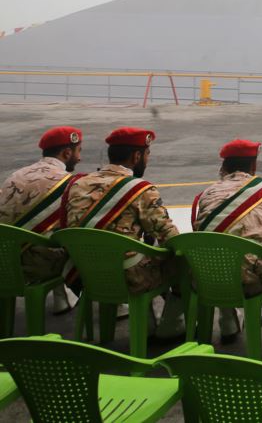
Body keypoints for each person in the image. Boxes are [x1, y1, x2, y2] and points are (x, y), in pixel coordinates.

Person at [61, 127, 183, 339]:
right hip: (127, 277)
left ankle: (146, 325)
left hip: (86, 273)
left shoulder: (78, 184)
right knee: (183, 263)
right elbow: (170, 237)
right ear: (137, 156)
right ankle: (172, 327)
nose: (147, 159)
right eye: (146, 154)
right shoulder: (141, 190)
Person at [191, 138, 262, 343]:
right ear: (254, 165)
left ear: (223, 167)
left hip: (205, 278)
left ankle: (228, 322)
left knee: (219, 252)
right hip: (248, 281)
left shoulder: (207, 193)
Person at [0, 126, 85, 314]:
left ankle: (63, 300)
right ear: (67, 152)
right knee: (81, 243)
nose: (79, 158)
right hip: (33, 267)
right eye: (78, 151)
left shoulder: (16, 175)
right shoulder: (70, 183)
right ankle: (118, 305)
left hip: (4, 260)